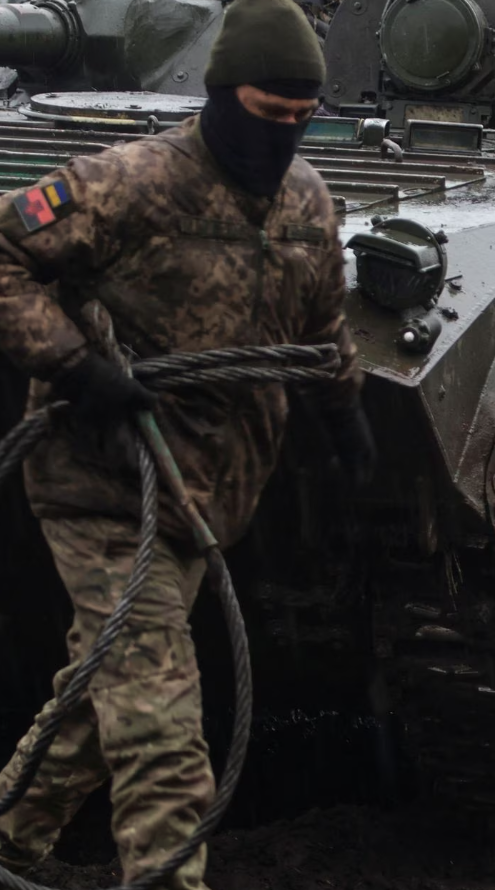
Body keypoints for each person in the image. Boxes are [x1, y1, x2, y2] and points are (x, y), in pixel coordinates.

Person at [0, 0, 374, 887]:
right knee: (163, 731)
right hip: (104, 482)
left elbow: (322, 324)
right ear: (218, 93)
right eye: (264, 111)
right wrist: (76, 365)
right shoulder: (130, 181)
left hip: (210, 492)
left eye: (299, 118)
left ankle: (8, 840)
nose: (280, 134)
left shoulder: (308, 198)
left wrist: (344, 419)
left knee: (107, 698)